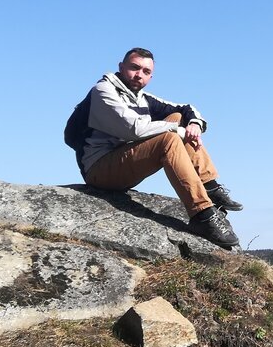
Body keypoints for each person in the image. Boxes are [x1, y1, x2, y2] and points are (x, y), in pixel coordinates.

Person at [79, 47, 242, 248]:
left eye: (146, 71)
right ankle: (202, 215)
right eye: (134, 68)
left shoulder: (142, 98)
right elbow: (134, 129)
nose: (139, 75)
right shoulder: (103, 91)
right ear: (121, 67)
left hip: (123, 160)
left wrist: (194, 124)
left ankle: (210, 187)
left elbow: (184, 109)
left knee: (178, 118)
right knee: (169, 138)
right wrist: (178, 131)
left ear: (151, 76)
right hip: (99, 169)